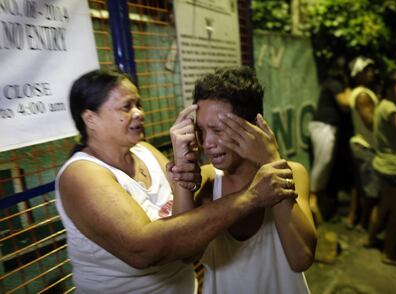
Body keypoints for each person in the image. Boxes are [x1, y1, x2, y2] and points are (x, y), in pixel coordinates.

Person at [55, 69, 298, 293]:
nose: (140, 112)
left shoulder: (145, 152)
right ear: (90, 119)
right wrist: (251, 197)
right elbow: (142, 250)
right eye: (126, 106)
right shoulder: (82, 175)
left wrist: (186, 170)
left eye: (138, 104)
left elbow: (186, 227)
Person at [171, 67, 317, 294]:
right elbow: (183, 253)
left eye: (219, 129)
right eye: (201, 130)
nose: (207, 142)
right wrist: (183, 174)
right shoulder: (208, 180)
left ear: (254, 128)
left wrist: (271, 161)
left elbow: (301, 259)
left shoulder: (292, 173)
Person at [366, 69, 396, 267]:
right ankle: (389, 253)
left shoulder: (382, 105)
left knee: (383, 205)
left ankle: (370, 240)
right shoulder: (393, 109)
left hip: (382, 164)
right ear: (392, 87)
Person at [308, 56, 353, 222]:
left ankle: (317, 199)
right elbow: (346, 103)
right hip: (323, 126)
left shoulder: (332, 83)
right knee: (323, 161)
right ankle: (312, 199)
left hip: (326, 127)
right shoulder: (334, 83)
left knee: (325, 163)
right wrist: (349, 86)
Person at [347, 56, 380, 230]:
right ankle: (364, 223)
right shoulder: (362, 95)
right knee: (370, 189)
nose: (371, 73)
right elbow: (371, 121)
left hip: (362, 145)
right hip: (366, 146)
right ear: (357, 74)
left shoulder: (362, 92)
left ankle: (354, 219)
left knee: (359, 185)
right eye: (366, 70)